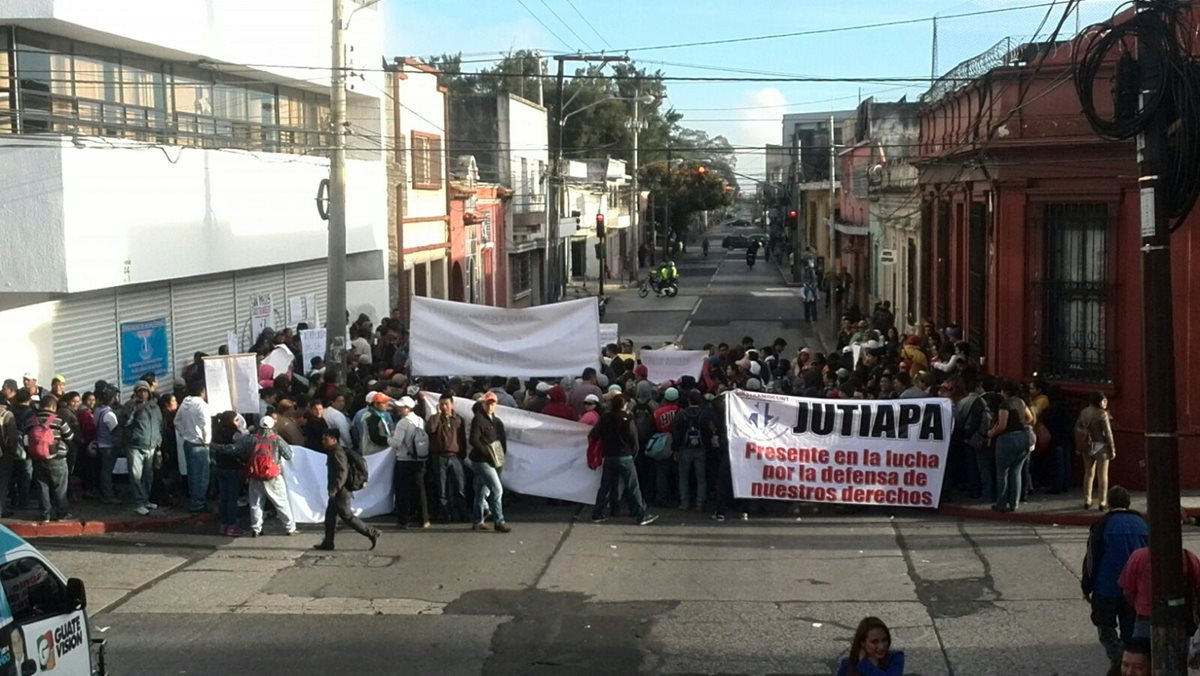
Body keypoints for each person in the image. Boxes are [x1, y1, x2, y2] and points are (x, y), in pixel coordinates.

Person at [1082, 486, 1148, 675]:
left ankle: (1119, 661)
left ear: (1109, 503)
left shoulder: (1103, 524)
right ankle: (1126, 661)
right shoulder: (1143, 524)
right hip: (1135, 591)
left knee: (1105, 630)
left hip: (1107, 588)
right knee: (1130, 633)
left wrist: (1086, 586)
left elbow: (1092, 560)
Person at [589, 395, 658, 526]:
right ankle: (641, 514)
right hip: (625, 457)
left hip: (609, 456)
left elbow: (594, 434)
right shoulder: (628, 419)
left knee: (605, 486)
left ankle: (597, 513)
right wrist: (633, 454)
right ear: (624, 405)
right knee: (633, 486)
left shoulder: (605, 418)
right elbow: (634, 439)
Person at [1119, 532, 1200, 639]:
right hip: (1180, 618)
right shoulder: (1188, 558)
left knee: (1138, 651)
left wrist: (1138, 605)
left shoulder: (1138, 556)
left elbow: (1128, 591)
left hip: (1146, 617)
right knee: (1181, 653)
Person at [313, 428, 381, 551]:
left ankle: (372, 532)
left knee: (347, 516)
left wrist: (335, 488)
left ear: (333, 440)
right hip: (338, 490)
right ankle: (328, 542)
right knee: (330, 517)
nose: (323, 441)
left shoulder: (337, 452)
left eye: (325, 439)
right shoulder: (333, 451)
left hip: (341, 491)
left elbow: (342, 472)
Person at [24, 395, 74, 523]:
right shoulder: (58, 420)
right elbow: (69, 436)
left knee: (42, 487)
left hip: (37, 458)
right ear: (53, 407)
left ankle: (45, 514)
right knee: (60, 487)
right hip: (57, 458)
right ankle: (62, 514)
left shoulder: (31, 421)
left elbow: (25, 438)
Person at [986, 380, 1033, 512]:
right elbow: (1030, 418)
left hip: (1007, 439)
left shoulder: (1004, 405)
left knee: (1002, 472)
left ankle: (1001, 502)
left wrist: (991, 433)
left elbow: (1002, 426)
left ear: (1005, 392)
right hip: (1023, 438)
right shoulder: (1021, 402)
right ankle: (1014, 503)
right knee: (1016, 471)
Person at [245, 416, 296, 537]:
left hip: (255, 476)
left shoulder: (252, 439)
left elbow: (239, 450)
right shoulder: (276, 439)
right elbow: (289, 455)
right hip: (273, 476)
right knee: (281, 502)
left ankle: (256, 529)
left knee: (255, 504)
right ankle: (290, 528)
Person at [468, 392, 511, 533]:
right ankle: (499, 521)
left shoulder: (498, 422)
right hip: (482, 460)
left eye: (493, 403)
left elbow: (502, 441)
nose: (490, 406)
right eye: (488, 403)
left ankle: (477, 520)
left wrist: (500, 455)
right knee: (497, 489)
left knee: (481, 491)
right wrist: (487, 453)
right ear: (483, 404)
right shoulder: (478, 419)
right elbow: (474, 440)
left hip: (496, 460)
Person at [388, 396, 430, 529]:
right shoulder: (420, 420)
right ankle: (424, 519)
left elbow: (397, 443)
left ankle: (403, 520)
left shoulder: (402, 423)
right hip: (419, 459)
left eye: (401, 407)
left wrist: (388, 438)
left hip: (404, 460)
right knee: (419, 489)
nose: (399, 409)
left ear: (407, 408)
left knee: (403, 491)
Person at [176, 381, 217, 515]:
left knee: (193, 475)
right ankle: (198, 505)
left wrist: (184, 434)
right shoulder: (202, 406)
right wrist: (207, 441)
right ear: (202, 392)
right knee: (202, 476)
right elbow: (206, 425)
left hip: (188, 443)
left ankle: (196, 501)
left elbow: (177, 421)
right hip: (199, 445)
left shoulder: (184, 404)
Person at [426, 394, 468, 523]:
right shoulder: (435, 419)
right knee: (442, 489)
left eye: (446, 404)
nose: (444, 407)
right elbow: (430, 429)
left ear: (452, 404)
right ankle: (445, 515)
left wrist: (462, 455)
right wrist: (438, 415)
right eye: (441, 404)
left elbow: (462, 439)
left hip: (455, 457)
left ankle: (463, 514)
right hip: (439, 457)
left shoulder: (458, 419)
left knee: (460, 488)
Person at [208, 411, 248, 537]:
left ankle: (224, 524)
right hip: (234, 468)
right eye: (236, 420)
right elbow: (241, 450)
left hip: (220, 467)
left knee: (223, 497)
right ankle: (232, 525)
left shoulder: (216, 432)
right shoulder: (236, 435)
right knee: (232, 498)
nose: (238, 422)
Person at [125, 381, 162, 516]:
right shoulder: (130, 406)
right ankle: (139, 502)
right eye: (140, 391)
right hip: (135, 446)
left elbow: (159, 423)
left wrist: (159, 441)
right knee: (136, 476)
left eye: (145, 391)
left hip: (151, 446)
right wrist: (134, 408)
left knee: (148, 475)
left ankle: (146, 499)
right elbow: (125, 423)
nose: (143, 394)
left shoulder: (154, 406)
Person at [673, 390, 712, 512]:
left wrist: (675, 449)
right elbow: (709, 431)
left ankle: (684, 502)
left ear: (688, 400)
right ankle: (700, 502)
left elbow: (677, 434)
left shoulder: (681, 414)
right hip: (701, 448)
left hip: (685, 449)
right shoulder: (704, 414)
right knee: (701, 477)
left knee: (683, 476)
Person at [1077, 392, 1117, 510]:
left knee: (1088, 473)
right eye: (1104, 401)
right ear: (1100, 401)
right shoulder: (1102, 414)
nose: (1106, 403)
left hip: (1087, 445)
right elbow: (1108, 433)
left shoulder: (1084, 412)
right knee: (1102, 475)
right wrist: (1112, 449)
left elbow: (1078, 429)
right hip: (1101, 446)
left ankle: (1087, 499)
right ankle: (1102, 501)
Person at [836, 616, 904, 676]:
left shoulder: (895, 658)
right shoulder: (848, 664)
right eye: (874, 642)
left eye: (884, 640)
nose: (881, 646)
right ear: (862, 643)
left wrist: (865, 665)